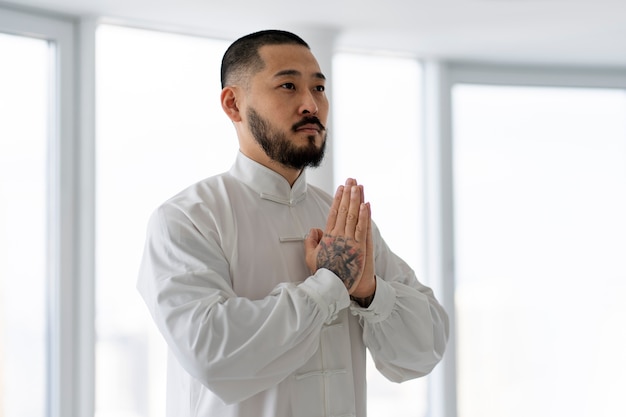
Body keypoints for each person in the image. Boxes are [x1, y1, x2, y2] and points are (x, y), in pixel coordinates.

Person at [137, 29, 449, 417]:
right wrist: (331, 284)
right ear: (233, 104)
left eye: (319, 89)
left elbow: (425, 350)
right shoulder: (187, 219)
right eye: (288, 85)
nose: (311, 105)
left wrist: (367, 290)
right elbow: (214, 356)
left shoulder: (345, 221)